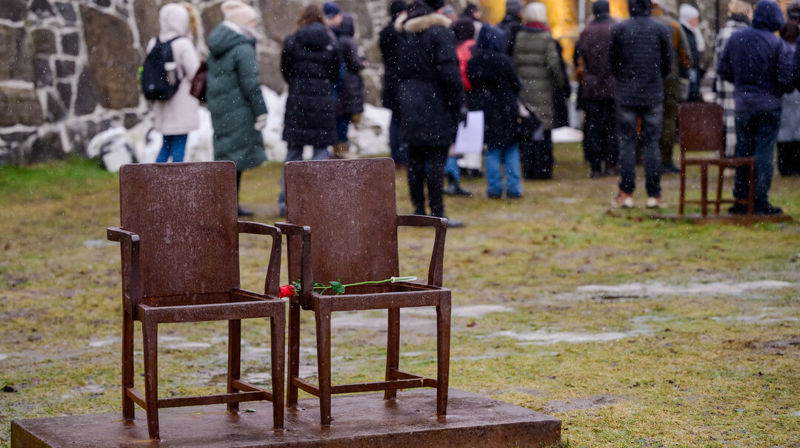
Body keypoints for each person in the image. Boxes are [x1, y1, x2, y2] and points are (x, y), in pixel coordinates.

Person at [718, 0, 793, 215]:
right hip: (769, 105)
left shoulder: (736, 39)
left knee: (743, 151)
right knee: (764, 153)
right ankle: (759, 200)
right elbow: (786, 78)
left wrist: (742, 84)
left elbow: (723, 70)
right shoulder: (777, 44)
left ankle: (741, 199)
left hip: (743, 104)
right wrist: (775, 88)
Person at [396, 0, 464, 227]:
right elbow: (449, 73)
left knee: (415, 159)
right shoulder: (440, 34)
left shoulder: (406, 37)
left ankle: (418, 209)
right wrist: (457, 103)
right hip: (436, 104)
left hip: (411, 104)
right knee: (436, 159)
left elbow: (398, 73)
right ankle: (436, 212)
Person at [278, 4, 341, 216]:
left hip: (298, 101)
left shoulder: (292, 40)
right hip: (323, 101)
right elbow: (335, 74)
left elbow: (285, 70)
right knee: (321, 152)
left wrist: (299, 83)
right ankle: (318, 202)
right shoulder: (331, 42)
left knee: (293, 153)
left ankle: (286, 202)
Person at [609, 0, 672, 209]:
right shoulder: (661, 29)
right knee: (651, 143)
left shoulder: (620, 29)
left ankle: (626, 192)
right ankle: (654, 194)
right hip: (652, 92)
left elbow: (613, 62)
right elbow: (667, 63)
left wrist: (625, 78)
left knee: (627, 143)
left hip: (627, 93)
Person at [206, 0, 267, 217]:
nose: (254, 25)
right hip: (239, 110)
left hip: (222, 108)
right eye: (251, 21)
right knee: (235, 161)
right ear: (241, 23)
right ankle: (229, 206)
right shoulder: (242, 47)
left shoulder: (218, 45)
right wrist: (261, 111)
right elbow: (251, 83)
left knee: (227, 159)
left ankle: (225, 204)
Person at [467, 25, 522, 199]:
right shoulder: (504, 60)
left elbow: (472, 83)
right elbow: (516, 84)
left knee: (492, 149)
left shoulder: (474, 61)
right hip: (506, 108)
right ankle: (513, 187)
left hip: (486, 109)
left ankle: (494, 187)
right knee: (511, 148)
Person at [513, 2, 565, 180]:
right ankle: (543, 169)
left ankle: (529, 169)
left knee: (528, 131)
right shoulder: (545, 37)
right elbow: (554, 65)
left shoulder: (519, 37)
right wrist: (560, 83)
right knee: (544, 132)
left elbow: (515, 64)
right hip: (544, 91)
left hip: (525, 93)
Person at [149, 3, 201, 164]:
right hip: (182, 104)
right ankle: (177, 184)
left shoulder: (153, 43)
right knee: (179, 146)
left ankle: (155, 182)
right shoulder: (183, 44)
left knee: (165, 145)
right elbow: (195, 73)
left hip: (162, 100)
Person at [574, 0, 618, 178]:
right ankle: (612, 164)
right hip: (613, 88)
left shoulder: (586, 33)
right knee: (612, 127)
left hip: (591, 88)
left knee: (593, 128)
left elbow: (577, 58)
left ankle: (595, 166)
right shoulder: (616, 30)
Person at [651, 0, 692, 174]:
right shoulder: (674, 26)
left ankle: (649, 157)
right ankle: (665, 159)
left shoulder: (640, 24)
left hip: (647, 79)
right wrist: (684, 73)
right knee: (668, 118)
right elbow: (685, 54)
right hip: (670, 77)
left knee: (649, 117)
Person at [713, 0, 753, 157]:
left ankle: (728, 154)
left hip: (725, 84)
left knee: (727, 120)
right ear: (745, 12)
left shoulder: (723, 31)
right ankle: (737, 155)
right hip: (739, 85)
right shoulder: (746, 32)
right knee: (737, 122)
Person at [443, 16, 477, 197]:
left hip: (455, 96)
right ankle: (469, 168)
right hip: (470, 95)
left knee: (453, 140)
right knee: (468, 136)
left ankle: (452, 175)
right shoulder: (472, 48)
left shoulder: (452, 49)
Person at [379, 0, 408, 168]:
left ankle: (396, 154)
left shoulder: (385, 33)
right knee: (402, 120)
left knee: (395, 120)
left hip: (391, 81)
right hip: (401, 82)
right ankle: (402, 155)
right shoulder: (401, 32)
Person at [332, 13, 365, 159]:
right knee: (344, 118)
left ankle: (338, 147)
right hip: (349, 86)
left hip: (340, 86)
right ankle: (342, 148)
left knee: (340, 117)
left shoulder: (336, 39)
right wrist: (362, 63)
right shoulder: (348, 41)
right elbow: (354, 62)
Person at [778, 2, 800, 176]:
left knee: (785, 131)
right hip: (795, 92)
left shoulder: (780, 48)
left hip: (784, 93)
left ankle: (785, 166)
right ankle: (795, 165)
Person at [679, 4, 706, 103]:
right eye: (696, 18)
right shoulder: (685, 32)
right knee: (690, 95)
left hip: (692, 69)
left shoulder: (692, 31)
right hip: (689, 70)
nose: (697, 21)